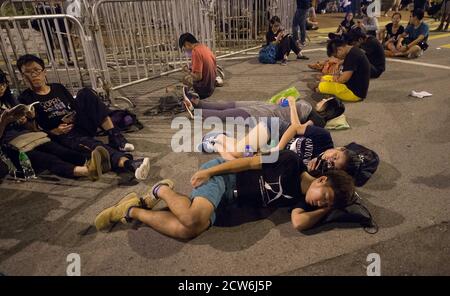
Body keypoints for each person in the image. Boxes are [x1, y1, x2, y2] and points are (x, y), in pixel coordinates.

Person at [95, 150, 356, 239]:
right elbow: (249, 162)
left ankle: (130, 209)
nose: (319, 201)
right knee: (193, 219)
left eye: (325, 203)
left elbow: (299, 223)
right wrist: (212, 171)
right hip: (223, 177)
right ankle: (160, 189)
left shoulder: (304, 202)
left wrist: (325, 209)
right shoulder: (289, 159)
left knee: (188, 230)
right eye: (325, 195)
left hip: (229, 204)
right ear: (322, 179)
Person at [16, 54, 150, 180]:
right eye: (27, 72)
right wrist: (53, 130)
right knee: (93, 145)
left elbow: (75, 107)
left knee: (86, 93)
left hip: (77, 123)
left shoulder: (58, 87)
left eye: (36, 70)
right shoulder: (25, 97)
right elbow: (33, 131)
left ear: (44, 72)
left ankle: (115, 136)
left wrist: (73, 115)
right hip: (62, 135)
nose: (33, 75)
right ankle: (129, 164)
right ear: (22, 76)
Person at [0, 70, 107, 180]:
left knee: (58, 149)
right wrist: (4, 121)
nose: (2, 87)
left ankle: (91, 161)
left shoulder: (10, 100)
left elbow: (31, 128)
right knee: (45, 158)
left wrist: (29, 118)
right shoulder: (25, 95)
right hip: (10, 145)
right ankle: (85, 171)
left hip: (29, 137)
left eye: (3, 84)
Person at [182, 88, 344, 128]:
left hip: (269, 115)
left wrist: (293, 105)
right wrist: (285, 102)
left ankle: (196, 113)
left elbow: (298, 129)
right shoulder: (311, 109)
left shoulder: (318, 121)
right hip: (270, 106)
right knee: (231, 104)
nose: (322, 99)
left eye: (326, 100)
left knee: (230, 114)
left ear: (329, 108)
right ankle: (198, 104)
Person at [179, 33, 217, 99]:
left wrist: (187, 71)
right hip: (211, 86)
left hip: (204, 89)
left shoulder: (195, 52)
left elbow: (198, 77)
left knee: (185, 79)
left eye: (184, 47)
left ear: (187, 43)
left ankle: (195, 101)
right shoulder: (204, 47)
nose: (186, 50)